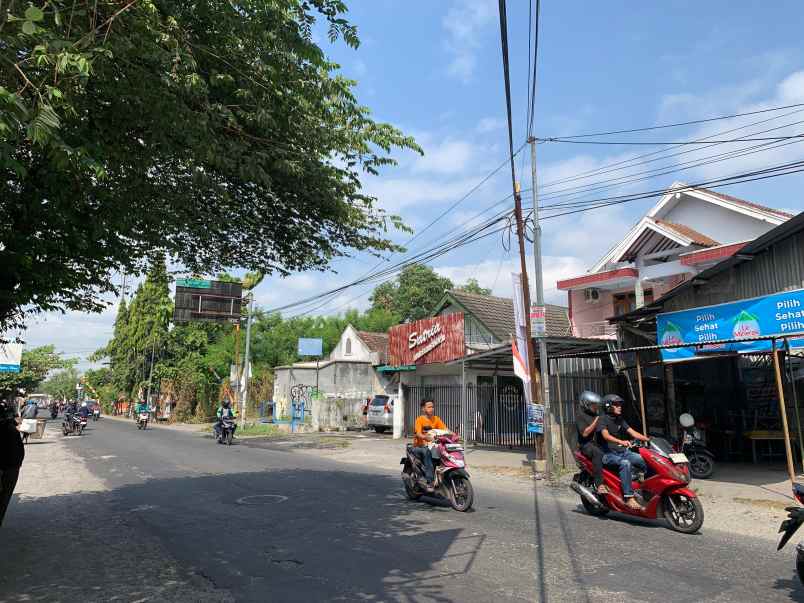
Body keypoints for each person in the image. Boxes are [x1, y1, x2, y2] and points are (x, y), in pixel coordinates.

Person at [598, 394, 650, 510]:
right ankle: (628, 498)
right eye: (616, 405)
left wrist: (649, 440)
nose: (619, 407)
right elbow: (605, 436)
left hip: (622, 452)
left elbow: (633, 432)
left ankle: (648, 489)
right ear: (608, 406)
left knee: (643, 459)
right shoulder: (602, 419)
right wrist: (621, 441)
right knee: (625, 463)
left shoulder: (619, 419)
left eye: (620, 404)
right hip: (607, 454)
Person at [413, 399, 449, 492]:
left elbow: (445, 430)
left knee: (445, 451)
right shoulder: (419, 419)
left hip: (433, 445)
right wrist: (426, 438)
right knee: (427, 452)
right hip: (419, 447)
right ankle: (430, 482)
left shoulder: (436, 419)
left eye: (432, 407)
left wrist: (454, 435)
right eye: (429, 407)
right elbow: (418, 434)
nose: (432, 409)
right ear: (423, 409)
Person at [575, 391, 607, 495]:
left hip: (597, 443)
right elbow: (585, 433)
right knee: (598, 453)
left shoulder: (597, 414)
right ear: (586, 404)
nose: (596, 407)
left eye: (597, 405)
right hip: (586, 445)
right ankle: (600, 485)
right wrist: (596, 420)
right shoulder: (581, 416)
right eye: (594, 405)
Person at [0, 398, 24, 526]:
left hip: (11, 466)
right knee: (4, 498)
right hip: (11, 467)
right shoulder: (10, 429)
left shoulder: (10, 429)